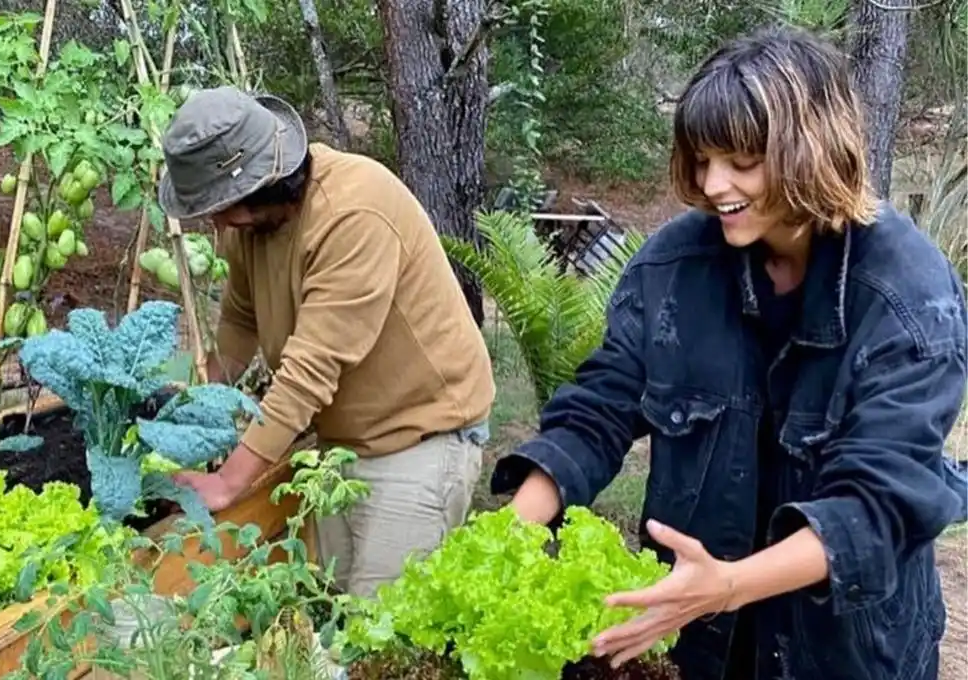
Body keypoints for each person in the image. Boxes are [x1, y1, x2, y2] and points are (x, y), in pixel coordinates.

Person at [491, 25, 967, 680]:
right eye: (701, 159)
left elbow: (880, 505)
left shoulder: (906, 293)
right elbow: (596, 410)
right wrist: (510, 533)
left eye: (741, 160)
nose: (713, 185)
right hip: (696, 647)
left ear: (810, 149)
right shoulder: (674, 266)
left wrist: (729, 584)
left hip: (845, 653)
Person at [157, 85, 496, 598]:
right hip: (341, 444)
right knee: (332, 611)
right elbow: (239, 323)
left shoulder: (353, 213)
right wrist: (188, 414)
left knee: (381, 632)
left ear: (269, 180)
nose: (218, 223)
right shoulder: (249, 224)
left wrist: (228, 482)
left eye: (223, 206)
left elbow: (307, 374)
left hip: (420, 437)